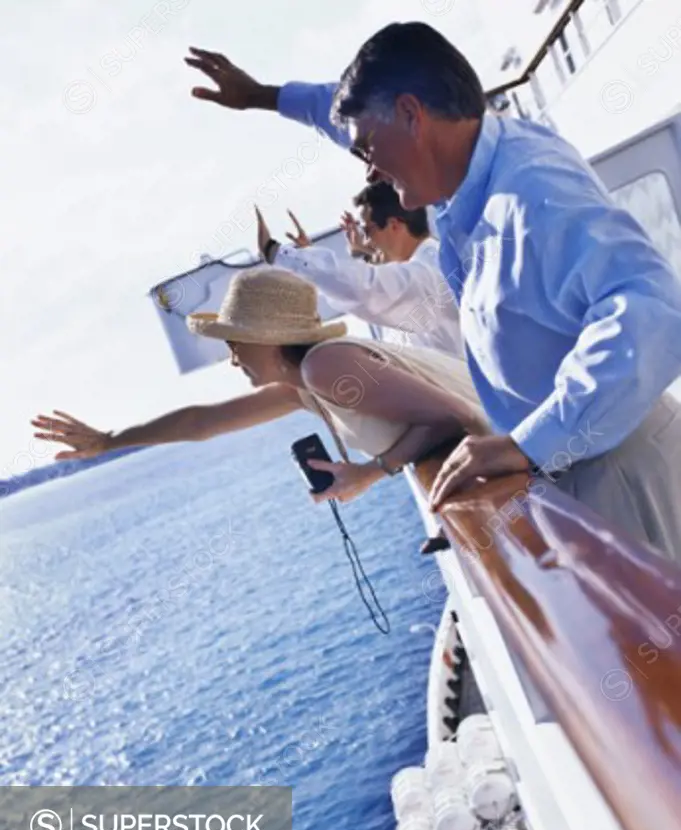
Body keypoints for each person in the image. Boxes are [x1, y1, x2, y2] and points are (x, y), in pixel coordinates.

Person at [185, 28, 681, 563]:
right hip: (577, 459)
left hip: (616, 468)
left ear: (412, 115)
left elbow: (651, 310)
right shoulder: (467, 164)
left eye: (368, 150)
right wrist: (263, 96)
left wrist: (530, 445)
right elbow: (345, 116)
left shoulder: (532, 193)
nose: (369, 169)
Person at [32, 268, 487, 505]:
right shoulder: (306, 382)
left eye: (234, 344)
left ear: (265, 340)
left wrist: (371, 472)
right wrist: (109, 441)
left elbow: (455, 417)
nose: (231, 358)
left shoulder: (325, 367)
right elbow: (203, 422)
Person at [255, 181, 463, 356]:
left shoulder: (427, 275)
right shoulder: (431, 263)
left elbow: (363, 287)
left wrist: (277, 253)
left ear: (394, 225)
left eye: (367, 229)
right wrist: (361, 255)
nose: (366, 238)